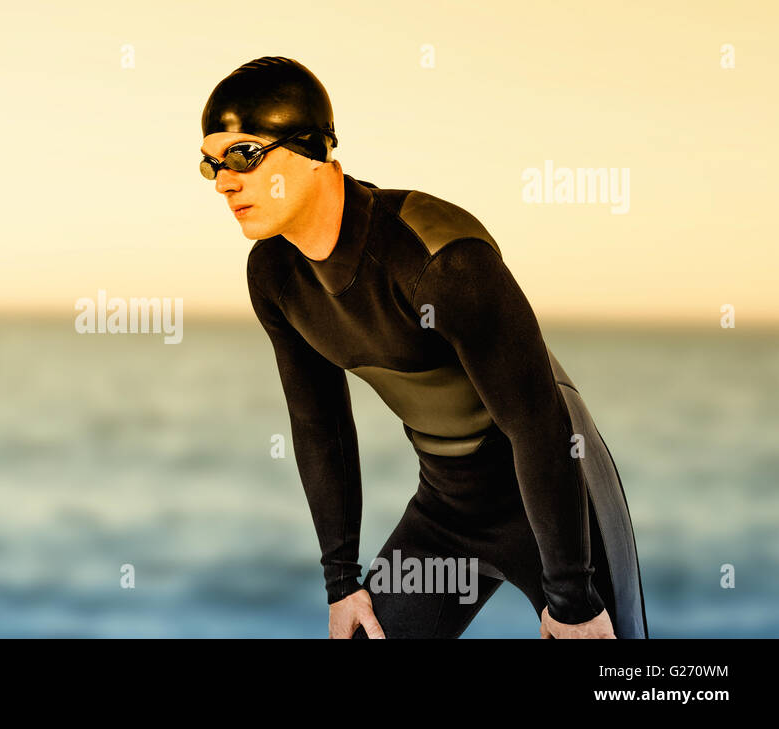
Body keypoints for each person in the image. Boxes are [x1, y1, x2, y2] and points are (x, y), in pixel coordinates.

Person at [201, 56, 648, 638]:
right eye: (210, 164)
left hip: (559, 504)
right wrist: (343, 584)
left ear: (313, 150)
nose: (225, 181)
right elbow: (320, 426)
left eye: (243, 155)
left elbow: (539, 424)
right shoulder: (275, 276)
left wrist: (574, 600)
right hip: (447, 510)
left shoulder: (438, 256)